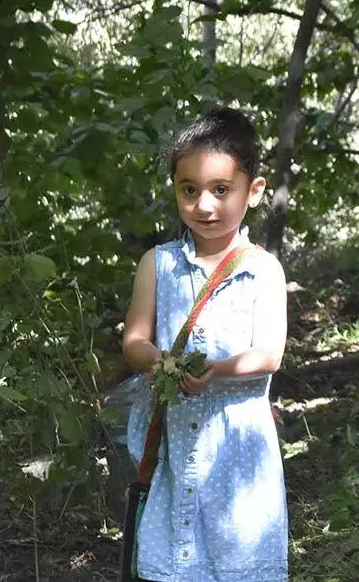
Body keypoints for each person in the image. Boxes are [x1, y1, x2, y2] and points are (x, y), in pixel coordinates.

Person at [122, 107, 289, 581]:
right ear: (174, 188)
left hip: (238, 447)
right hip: (178, 440)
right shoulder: (158, 264)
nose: (205, 205)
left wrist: (217, 369)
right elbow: (134, 338)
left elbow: (270, 353)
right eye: (189, 190)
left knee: (237, 561)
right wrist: (158, 361)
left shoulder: (263, 270)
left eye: (221, 190)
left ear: (252, 191)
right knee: (177, 561)